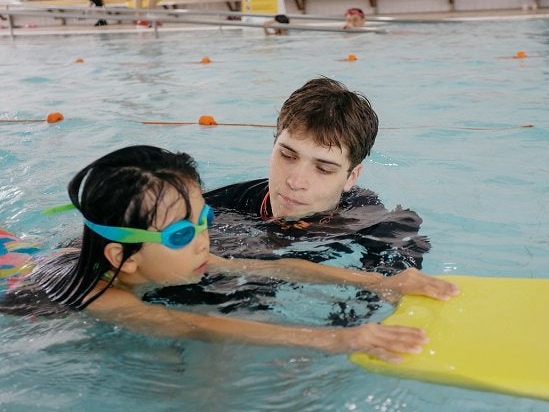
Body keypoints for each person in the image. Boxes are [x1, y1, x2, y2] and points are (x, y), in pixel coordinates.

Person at [0, 145, 458, 362]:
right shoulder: (104, 298)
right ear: (125, 259)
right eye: (182, 235)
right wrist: (342, 339)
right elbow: (195, 325)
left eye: (205, 221)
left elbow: (277, 266)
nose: (204, 241)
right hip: (30, 293)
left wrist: (380, 282)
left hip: (70, 254)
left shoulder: (156, 255)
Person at [147, 78, 431, 325]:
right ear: (273, 145)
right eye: (287, 155)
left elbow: (390, 292)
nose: (296, 181)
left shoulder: (375, 220)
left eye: (323, 168)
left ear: (351, 177)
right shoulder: (216, 209)